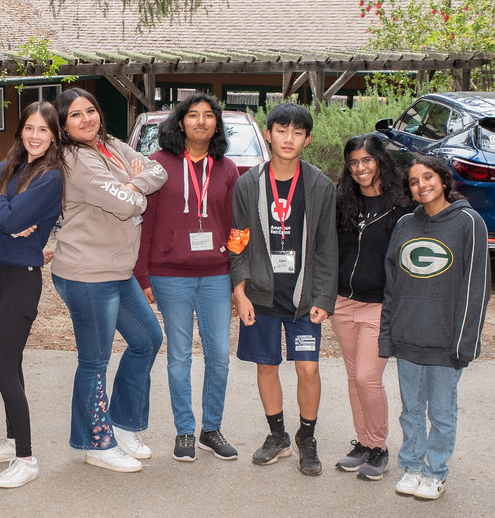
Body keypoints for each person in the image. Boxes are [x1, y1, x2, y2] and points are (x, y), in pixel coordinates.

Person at [51, 87, 167, 473]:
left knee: (148, 339)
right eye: (75, 115)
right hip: (87, 273)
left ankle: (122, 423)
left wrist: (134, 184)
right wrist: (134, 188)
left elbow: (158, 169)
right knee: (95, 361)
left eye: (90, 111)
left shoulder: (111, 144)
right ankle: (94, 441)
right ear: (63, 124)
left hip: (116, 270)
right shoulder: (74, 158)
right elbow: (125, 203)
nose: (86, 119)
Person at [229, 101, 337, 477]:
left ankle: (306, 437)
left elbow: (326, 247)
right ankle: (277, 436)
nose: (288, 139)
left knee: (308, 368)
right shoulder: (248, 183)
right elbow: (237, 242)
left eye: (297, 132)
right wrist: (239, 294)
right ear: (268, 132)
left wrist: (323, 297)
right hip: (260, 294)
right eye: (281, 130)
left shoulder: (321, 185)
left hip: (303, 298)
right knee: (266, 366)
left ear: (307, 139)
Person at [134, 93, 240, 463]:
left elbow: (234, 226)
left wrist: (237, 278)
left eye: (208, 116)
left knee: (220, 357)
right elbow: (144, 221)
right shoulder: (158, 164)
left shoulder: (227, 168)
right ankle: (184, 431)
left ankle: (211, 429)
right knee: (179, 355)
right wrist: (142, 274)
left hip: (216, 274)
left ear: (216, 124)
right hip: (169, 275)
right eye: (192, 115)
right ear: (180, 123)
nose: (200, 121)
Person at [0, 100, 65, 488]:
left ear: (54, 134)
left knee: (3, 367)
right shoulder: (10, 165)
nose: (35, 136)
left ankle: (25, 457)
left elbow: (5, 216)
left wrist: (0, 209)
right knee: (13, 363)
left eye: (43, 129)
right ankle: (11, 442)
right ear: (20, 130)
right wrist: (2, 211)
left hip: (21, 279)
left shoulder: (51, 176)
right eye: (29, 128)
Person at [380, 155, 490, 501]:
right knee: (410, 410)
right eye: (413, 182)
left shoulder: (468, 223)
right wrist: (388, 334)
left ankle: (435, 472)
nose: (422, 185)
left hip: (446, 342)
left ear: (443, 180)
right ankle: (412, 466)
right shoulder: (405, 226)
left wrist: (465, 342)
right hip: (409, 336)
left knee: (441, 412)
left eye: (428, 177)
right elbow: (391, 285)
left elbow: (477, 287)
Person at [330, 133, 411, 481]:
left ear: (380, 161)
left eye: (367, 160)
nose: (360, 168)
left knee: (367, 377)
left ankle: (379, 447)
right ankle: (362, 443)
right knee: (353, 377)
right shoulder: (342, 202)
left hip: (379, 306)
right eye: (354, 162)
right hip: (342, 303)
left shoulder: (402, 206)